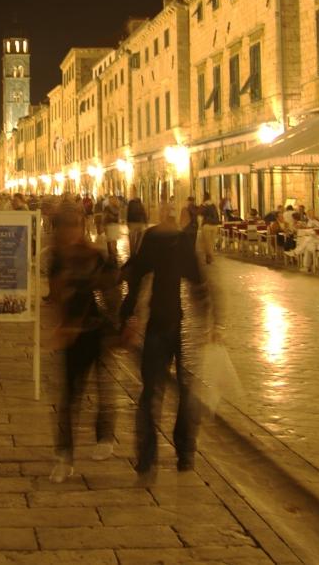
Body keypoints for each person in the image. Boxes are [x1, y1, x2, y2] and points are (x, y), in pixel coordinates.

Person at [120, 203, 215, 479]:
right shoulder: (179, 240)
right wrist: (209, 319)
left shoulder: (153, 238)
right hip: (176, 324)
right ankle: (183, 452)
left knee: (153, 390)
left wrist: (126, 315)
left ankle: (149, 455)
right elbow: (198, 283)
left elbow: (136, 276)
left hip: (161, 325)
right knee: (181, 391)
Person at [48, 206, 118, 483]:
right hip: (72, 336)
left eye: (74, 226)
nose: (70, 233)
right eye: (66, 227)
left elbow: (110, 292)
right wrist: (61, 324)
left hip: (96, 331)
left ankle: (105, 436)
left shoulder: (94, 256)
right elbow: (55, 296)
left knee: (103, 388)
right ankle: (64, 457)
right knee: (69, 397)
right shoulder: (57, 258)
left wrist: (121, 324)